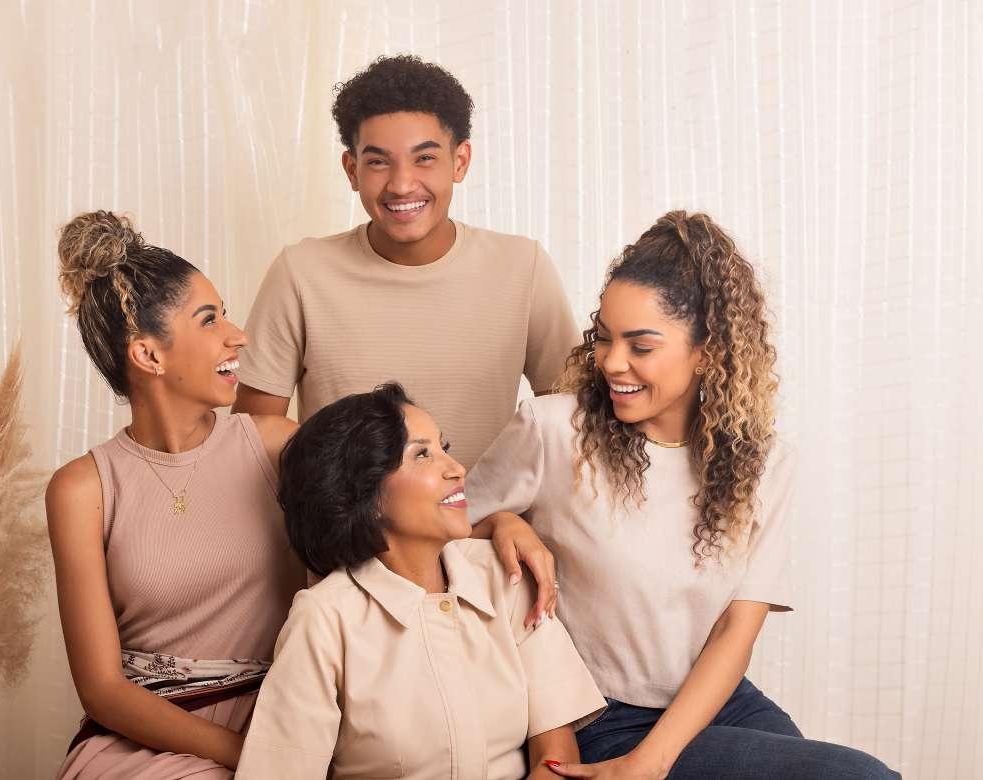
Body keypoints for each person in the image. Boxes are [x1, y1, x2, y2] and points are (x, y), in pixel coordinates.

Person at [468, 212, 898, 778]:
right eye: (604, 338)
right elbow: (440, 529)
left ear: (707, 352)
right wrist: (501, 521)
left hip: (716, 699)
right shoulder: (553, 429)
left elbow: (735, 629)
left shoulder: (764, 463)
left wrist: (650, 763)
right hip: (599, 715)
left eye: (641, 346)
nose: (611, 362)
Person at [235, 383, 606, 779]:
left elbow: (556, 753)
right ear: (366, 496)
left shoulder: (506, 575)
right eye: (422, 454)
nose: (457, 468)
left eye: (443, 447)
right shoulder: (324, 618)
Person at [47, 211, 305, 778]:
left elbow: (388, 518)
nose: (238, 335)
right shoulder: (82, 489)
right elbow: (103, 689)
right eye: (209, 320)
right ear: (149, 356)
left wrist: (497, 521)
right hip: (138, 742)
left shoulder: (274, 447)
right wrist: (247, 759)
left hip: (275, 720)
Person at [233, 54, 579, 473]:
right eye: (378, 162)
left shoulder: (524, 268)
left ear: (460, 161)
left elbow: (573, 422)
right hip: (345, 517)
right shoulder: (300, 273)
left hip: (487, 514)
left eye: (425, 158)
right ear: (352, 170)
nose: (401, 184)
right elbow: (251, 439)